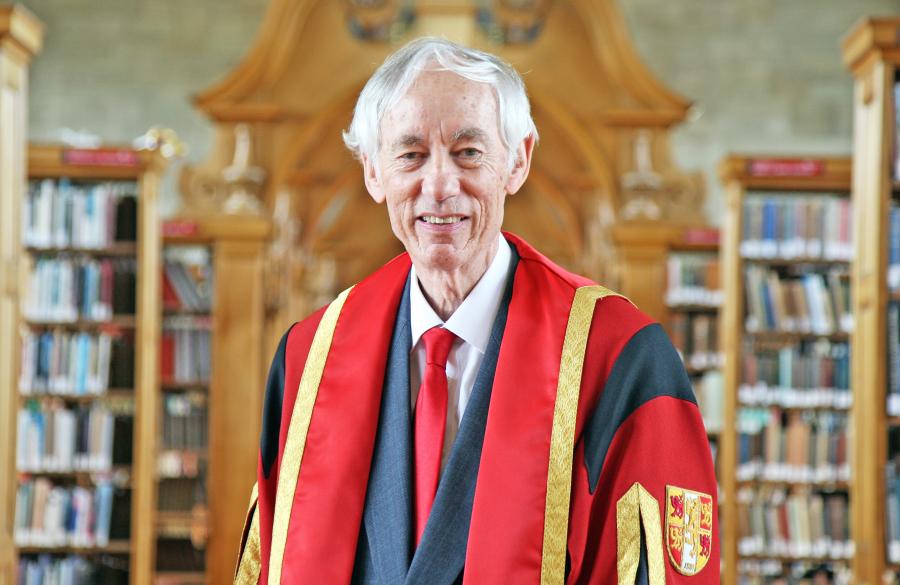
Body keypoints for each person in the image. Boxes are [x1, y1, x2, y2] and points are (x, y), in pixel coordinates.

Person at [234, 37, 718, 584]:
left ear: (518, 160)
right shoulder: (308, 358)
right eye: (410, 154)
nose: (439, 186)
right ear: (373, 172)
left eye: (468, 152)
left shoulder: (618, 358)